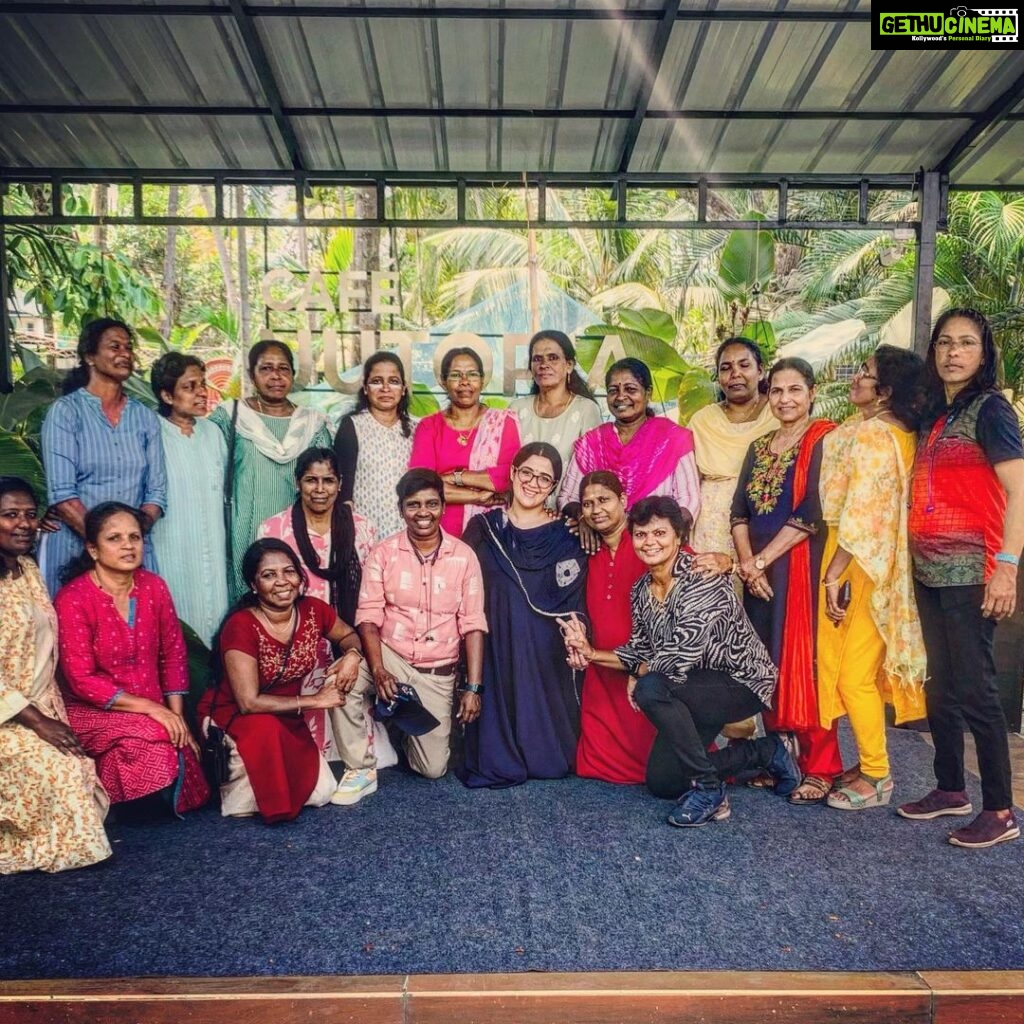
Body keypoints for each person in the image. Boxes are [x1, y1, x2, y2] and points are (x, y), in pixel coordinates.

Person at [559, 496, 798, 828]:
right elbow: (639, 650)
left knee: (652, 688)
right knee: (664, 782)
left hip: (741, 682)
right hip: (693, 688)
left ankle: (710, 790)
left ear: (679, 537)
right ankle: (766, 752)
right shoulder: (641, 590)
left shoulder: (703, 576)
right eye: (641, 535)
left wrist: (638, 675)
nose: (650, 542)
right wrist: (589, 652)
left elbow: (677, 658)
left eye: (660, 533)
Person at [898, 309, 1024, 848]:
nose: (953, 352)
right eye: (944, 343)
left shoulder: (992, 410)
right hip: (929, 571)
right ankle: (951, 788)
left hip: (974, 571)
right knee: (940, 687)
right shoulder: (938, 413)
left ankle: (999, 810)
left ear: (983, 352)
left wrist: (1007, 566)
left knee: (977, 691)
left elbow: (1020, 491)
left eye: (966, 343)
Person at [329, 469, 488, 802]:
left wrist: (473, 687)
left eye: (431, 503)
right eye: (413, 505)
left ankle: (398, 727)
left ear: (443, 507)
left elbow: (473, 623)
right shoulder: (384, 554)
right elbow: (369, 618)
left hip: (436, 671)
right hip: (390, 654)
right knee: (340, 681)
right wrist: (378, 669)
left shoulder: (463, 557)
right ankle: (360, 767)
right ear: (401, 509)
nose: (423, 512)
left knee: (432, 769)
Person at [817, 346, 927, 810]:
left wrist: (833, 576)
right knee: (856, 669)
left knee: (850, 674)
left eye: (865, 373)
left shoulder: (875, 435)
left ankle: (878, 774)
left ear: (885, 392)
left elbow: (861, 514)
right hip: (884, 562)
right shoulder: (904, 433)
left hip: (855, 559)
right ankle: (867, 763)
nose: (855, 377)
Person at [53, 502, 209, 818]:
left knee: (175, 748)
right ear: (93, 550)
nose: (128, 545)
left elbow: (173, 656)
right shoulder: (73, 599)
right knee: (156, 737)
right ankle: (123, 797)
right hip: (91, 710)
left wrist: (176, 718)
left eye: (134, 537)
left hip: (152, 711)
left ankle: (111, 797)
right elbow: (81, 679)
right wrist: (155, 711)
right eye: (115, 538)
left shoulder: (154, 587)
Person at [730, 357, 840, 804]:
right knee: (766, 661)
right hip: (758, 572)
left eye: (795, 390)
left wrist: (761, 561)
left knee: (806, 663)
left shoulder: (825, 441)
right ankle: (782, 758)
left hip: (801, 571)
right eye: (777, 390)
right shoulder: (758, 447)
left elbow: (812, 511)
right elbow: (739, 511)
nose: (785, 399)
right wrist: (747, 564)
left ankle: (821, 767)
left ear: (812, 392)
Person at [197, 539, 363, 823]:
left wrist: (352, 654)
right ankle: (256, 800)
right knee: (266, 734)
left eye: (289, 572)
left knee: (321, 793)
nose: (282, 582)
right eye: (268, 575)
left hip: (286, 713)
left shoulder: (313, 610)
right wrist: (317, 700)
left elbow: (348, 635)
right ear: (253, 584)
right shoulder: (241, 625)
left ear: (300, 577)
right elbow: (248, 702)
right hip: (237, 714)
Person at [459, 443, 587, 788]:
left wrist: (576, 636)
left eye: (544, 479)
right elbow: (462, 585)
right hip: (494, 637)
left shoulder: (566, 534)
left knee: (551, 763)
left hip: (544, 644)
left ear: (554, 486)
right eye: (527, 472)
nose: (533, 483)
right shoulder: (483, 528)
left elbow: (574, 593)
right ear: (514, 473)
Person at [0, 477, 111, 874]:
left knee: (78, 766)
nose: (23, 524)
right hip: (10, 716)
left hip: (39, 706)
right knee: (62, 771)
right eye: (10, 515)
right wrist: (38, 722)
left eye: (30, 515)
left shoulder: (27, 568)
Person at [257, 447, 378, 759]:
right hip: (297, 636)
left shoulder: (362, 527)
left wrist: (356, 645)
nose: (320, 489)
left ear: (340, 484)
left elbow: (372, 590)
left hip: (348, 632)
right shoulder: (274, 529)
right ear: (298, 483)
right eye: (311, 480)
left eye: (328, 480)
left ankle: (350, 747)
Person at [38, 318, 166, 596]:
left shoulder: (144, 417)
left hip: (133, 554)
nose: (125, 354)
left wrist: (129, 541)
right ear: (90, 357)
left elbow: (155, 494)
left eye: (129, 348)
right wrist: (106, 545)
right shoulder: (65, 412)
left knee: (136, 631)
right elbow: (62, 495)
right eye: (115, 347)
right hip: (75, 547)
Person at [209, 339, 332, 601]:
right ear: (252, 374)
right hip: (245, 528)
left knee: (294, 594)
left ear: (293, 375)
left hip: (298, 529)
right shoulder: (231, 416)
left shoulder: (312, 423)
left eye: (283, 368)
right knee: (250, 598)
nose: (275, 376)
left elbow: (325, 478)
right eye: (266, 368)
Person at [573, 471, 656, 785]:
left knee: (663, 766)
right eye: (588, 504)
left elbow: (683, 561)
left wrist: (721, 561)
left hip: (644, 668)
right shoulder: (586, 549)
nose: (596, 510)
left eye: (604, 500)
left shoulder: (646, 543)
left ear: (623, 500)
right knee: (592, 765)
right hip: (600, 670)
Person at [558, 357, 700, 529]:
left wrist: (656, 534)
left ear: (648, 393)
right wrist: (583, 519)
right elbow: (567, 498)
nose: (621, 396)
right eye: (613, 390)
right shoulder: (593, 442)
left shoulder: (672, 438)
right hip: (602, 544)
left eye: (630, 389)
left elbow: (689, 501)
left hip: (654, 546)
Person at [149, 352, 229, 646]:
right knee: (175, 620)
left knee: (216, 622)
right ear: (167, 395)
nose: (201, 393)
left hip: (213, 548)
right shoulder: (153, 432)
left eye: (202, 384)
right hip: (171, 545)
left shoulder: (213, 433)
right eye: (189, 386)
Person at [409, 346, 520, 538]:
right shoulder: (429, 427)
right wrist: (478, 496)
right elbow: (422, 487)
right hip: (440, 535)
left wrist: (453, 477)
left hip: (491, 535)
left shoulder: (503, 423)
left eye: (472, 374)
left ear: (482, 380)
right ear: (443, 382)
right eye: (455, 375)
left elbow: (509, 477)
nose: (465, 382)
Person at [688, 338, 777, 559]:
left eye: (744, 365)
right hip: (711, 528)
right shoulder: (703, 420)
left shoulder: (778, 414)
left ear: (761, 371)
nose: (735, 373)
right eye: (726, 368)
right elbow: (690, 480)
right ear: (718, 377)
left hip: (765, 521)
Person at [334, 351, 416, 540]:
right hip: (363, 532)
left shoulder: (416, 430)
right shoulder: (352, 426)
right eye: (377, 381)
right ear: (365, 388)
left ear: (403, 388)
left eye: (394, 381)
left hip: (407, 531)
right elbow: (343, 485)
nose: (385, 388)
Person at [510, 330, 602, 477]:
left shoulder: (586, 410)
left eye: (553, 358)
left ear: (569, 365)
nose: (544, 365)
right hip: (519, 499)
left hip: (569, 499)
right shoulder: (516, 409)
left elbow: (592, 471)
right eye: (537, 359)